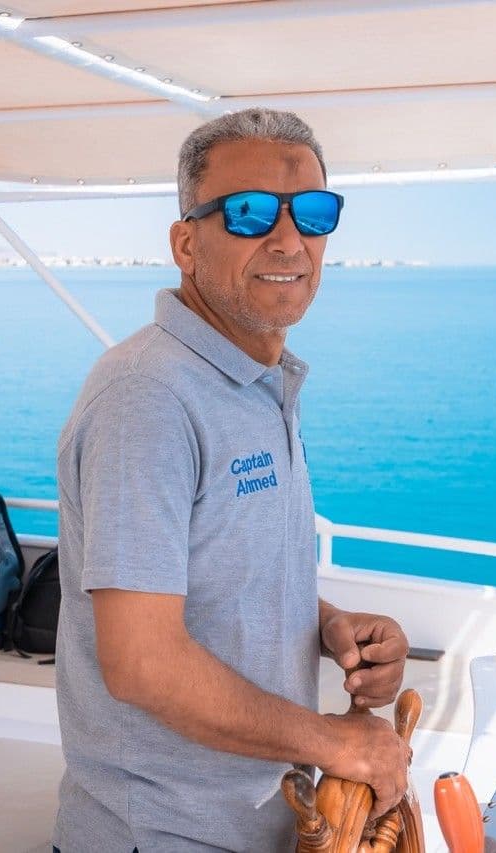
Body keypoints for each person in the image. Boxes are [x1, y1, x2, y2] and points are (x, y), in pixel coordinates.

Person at [52, 108, 411, 853]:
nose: (288, 239)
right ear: (186, 243)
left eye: (313, 213)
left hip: (265, 824)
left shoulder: (256, 382)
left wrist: (328, 625)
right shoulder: (148, 397)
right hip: (163, 835)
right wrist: (335, 743)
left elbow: (219, 572)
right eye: (248, 213)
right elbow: (143, 662)